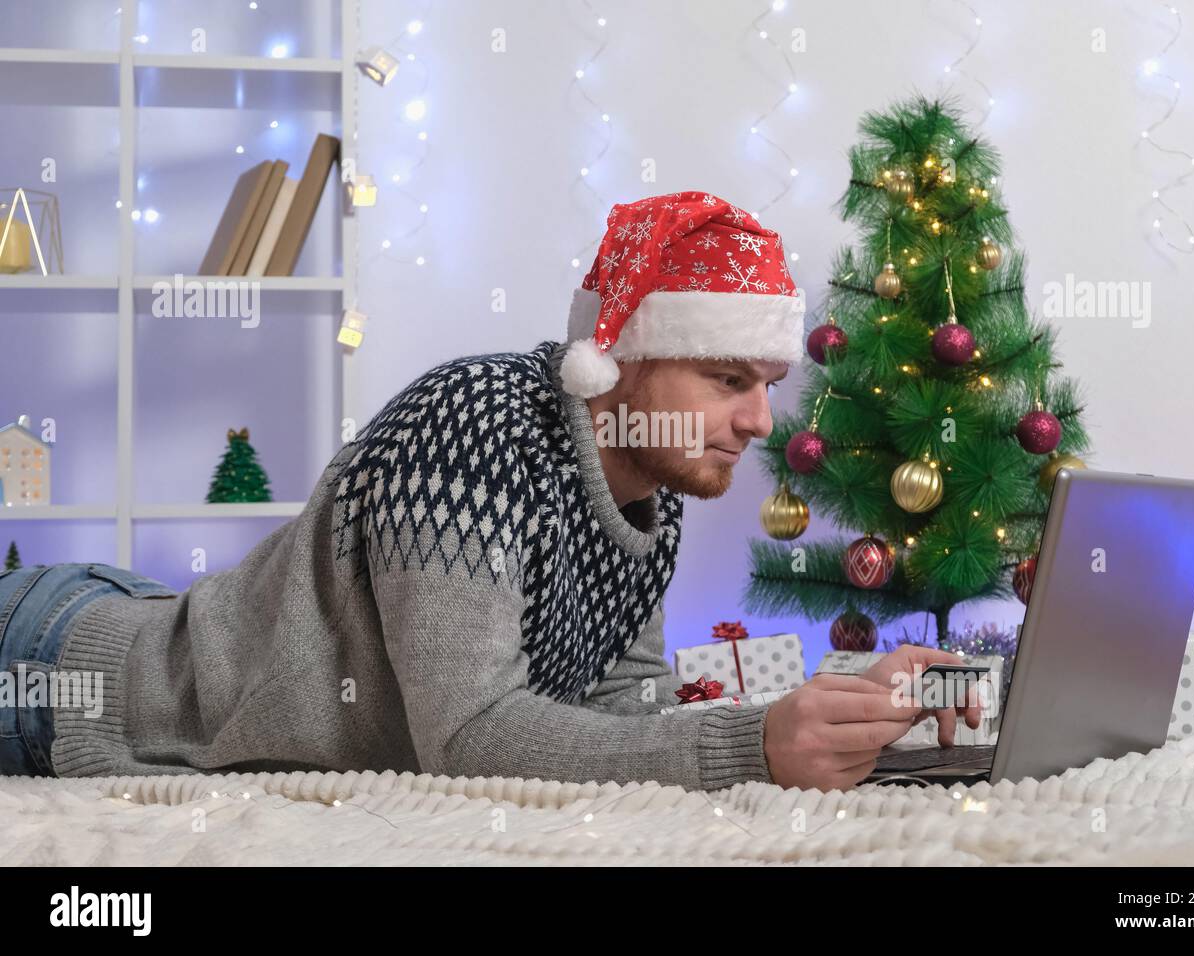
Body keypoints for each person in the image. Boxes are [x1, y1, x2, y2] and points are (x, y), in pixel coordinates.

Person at [0, 190, 979, 789]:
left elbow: (619, 695)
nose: (761, 421)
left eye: (765, 387)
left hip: (128, 611)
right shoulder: (477, 421)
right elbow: (468, 732)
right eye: (729, 380)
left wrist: (839, 691)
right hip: (62, 674)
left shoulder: (651, 481)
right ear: (621, 361)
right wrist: (749, 747)